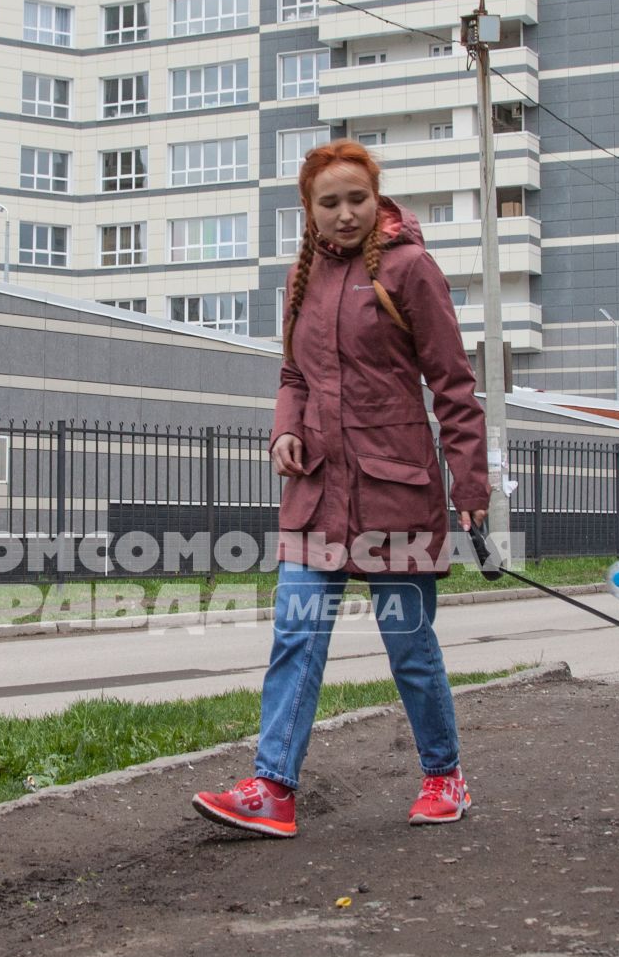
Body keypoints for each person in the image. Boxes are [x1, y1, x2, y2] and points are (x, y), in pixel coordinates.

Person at [192, 140, 489, 839]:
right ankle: (272, 788)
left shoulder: (410, 269)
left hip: (397, 492)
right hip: (317, 493)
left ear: (376, 197)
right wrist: (284, 432)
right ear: (310, 209)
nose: (346, 213)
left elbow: (452, 383)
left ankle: (444, 775)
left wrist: (470, 481)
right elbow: (293, 376)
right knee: (296, 636)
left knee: (409, 643)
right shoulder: (304, 278)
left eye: (357, 198)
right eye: (330, 202)